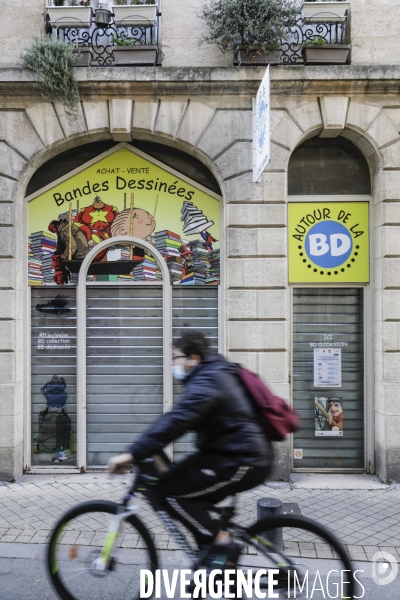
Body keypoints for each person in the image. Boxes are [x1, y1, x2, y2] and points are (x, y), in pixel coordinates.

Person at [108, 330, 273, 567]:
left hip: (241, 461)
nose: (174, 364)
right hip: (230, 455)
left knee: (171, 492)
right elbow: (176, 420)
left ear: (193, 359)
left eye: (177, 357)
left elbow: (177, 421)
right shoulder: (211, 375)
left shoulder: (208, 381)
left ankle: (224, 546)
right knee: (185, 488)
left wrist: (134, 453)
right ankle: (212, 556)